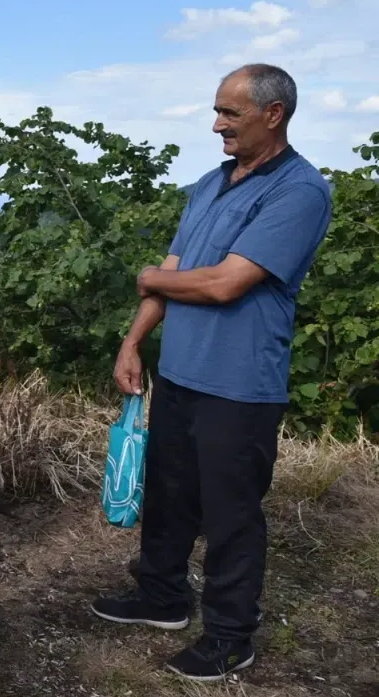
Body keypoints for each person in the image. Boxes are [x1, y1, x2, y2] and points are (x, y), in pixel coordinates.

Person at [91, 64, 332, 682]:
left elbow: (227, 282)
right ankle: (162, 597)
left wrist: (149, 279)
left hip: (241, 383)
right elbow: (179, 266)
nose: (218, 123)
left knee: (231, 512)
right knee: (169, 494)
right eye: (218, 110)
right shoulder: (210, 183)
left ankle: (230, 636)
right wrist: (133, 340)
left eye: (231, 112)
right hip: (182, 373)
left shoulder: (299, 191)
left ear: (273, 115)